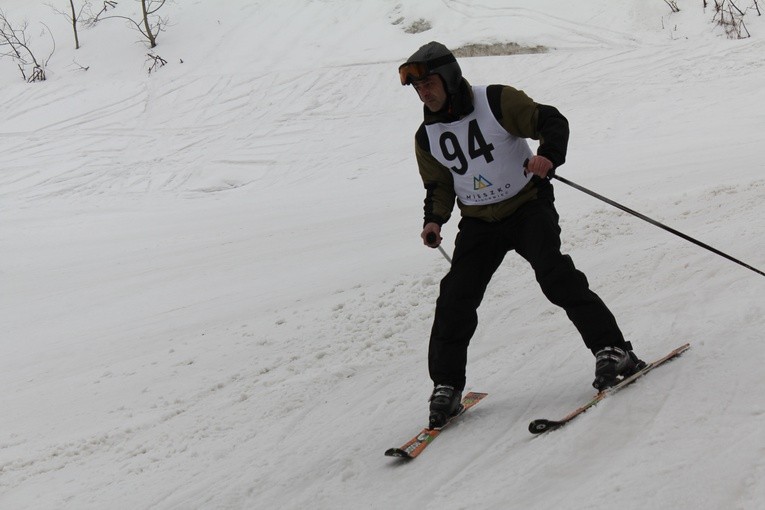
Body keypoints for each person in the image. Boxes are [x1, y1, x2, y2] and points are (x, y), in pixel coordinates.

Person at [398, 41, 645, 429]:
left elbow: (551, 120)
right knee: (455, 299)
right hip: (479, 223)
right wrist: (435, 220)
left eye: (428, 83)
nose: (423, 92)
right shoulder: (426, 136)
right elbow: (439, 184)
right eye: (417, 88)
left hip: (527, 205)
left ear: (447, 77)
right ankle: (446, 386)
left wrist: (549, 153)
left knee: (554, 274)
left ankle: (613, 350)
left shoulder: (495, 100)